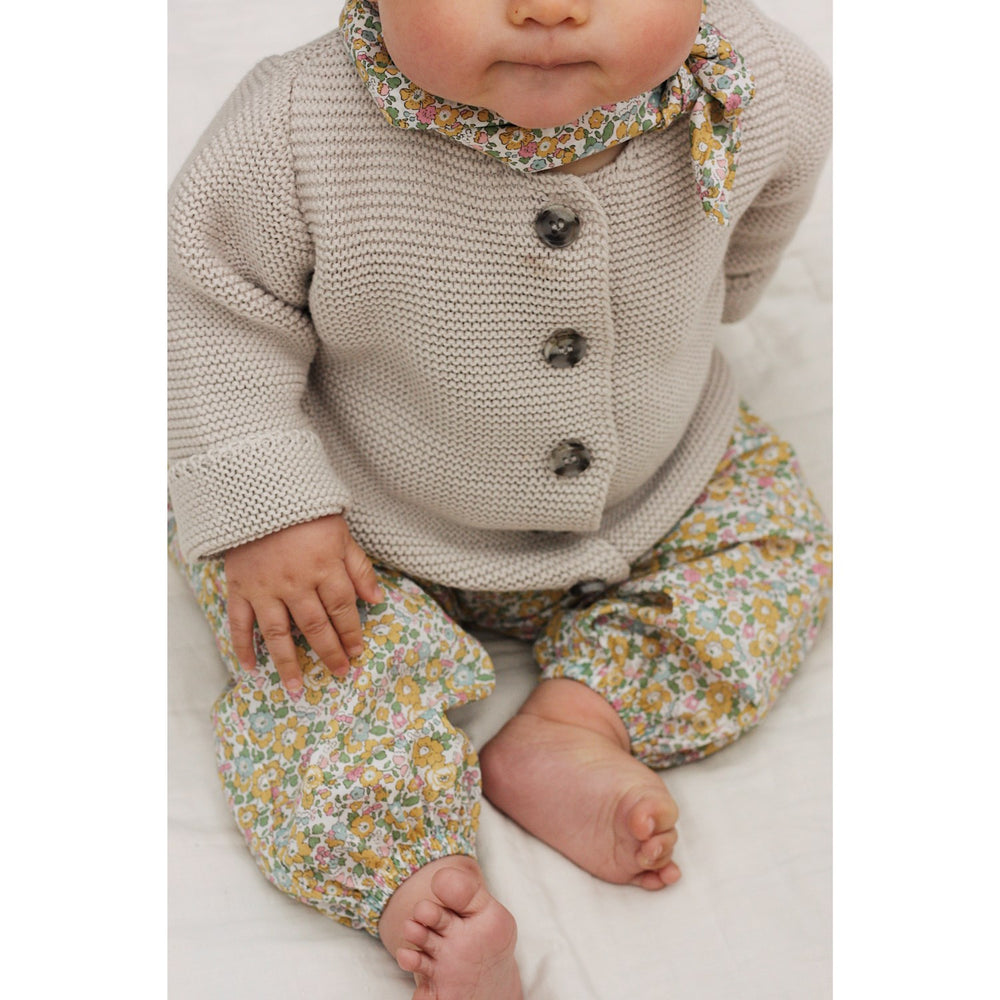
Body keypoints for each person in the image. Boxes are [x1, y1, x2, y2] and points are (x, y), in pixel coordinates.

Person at [167, 0, 832, 996]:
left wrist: (719, 296)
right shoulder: (294, 132)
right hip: (364, 530)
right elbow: (206, 310)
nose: (547, 9)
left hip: (657, 490)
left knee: (771, 549)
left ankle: (577, 720)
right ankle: (416, 875)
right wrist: (271, 504)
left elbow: (759, 223)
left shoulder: (760, 85)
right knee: (307, 661)